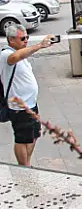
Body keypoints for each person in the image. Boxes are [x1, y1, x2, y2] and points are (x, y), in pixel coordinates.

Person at [1, 25, 54, 166]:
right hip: (19, 106)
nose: (26, 41)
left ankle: (26, 164)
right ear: (11, 40)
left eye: (27, 37)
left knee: (34, 135)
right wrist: (40, 45)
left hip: (31, 104)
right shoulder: (7, 54)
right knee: (22, 138)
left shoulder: (21, 53)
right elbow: (15, 57)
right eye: (22, 38)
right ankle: (24, 168)